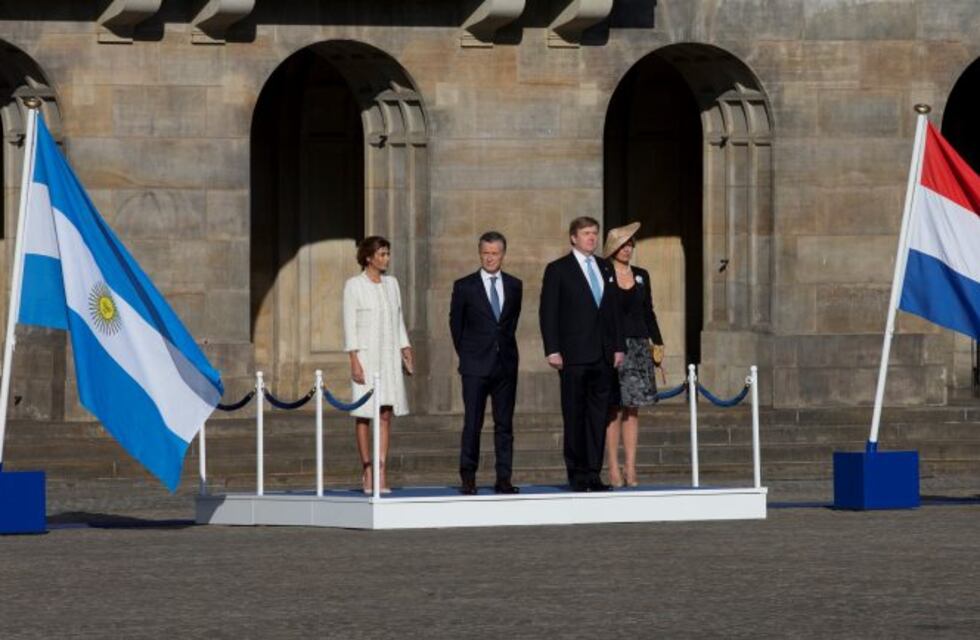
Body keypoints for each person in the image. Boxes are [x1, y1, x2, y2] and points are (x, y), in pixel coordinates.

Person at [539, 216, 625, 492]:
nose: (592, 238)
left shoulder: (604, 267)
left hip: (602, 356)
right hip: (573, 355)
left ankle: (592, 473)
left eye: (594, 233)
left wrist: (618, 346)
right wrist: (552, 349)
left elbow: (614, 312)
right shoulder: (558, 269)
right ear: (573, 237)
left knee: (598, 418)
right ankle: (576, 475)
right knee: (575, 415)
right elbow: (548, 312)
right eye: (586, 233)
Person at [449, 231, 522, 495]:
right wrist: (469, 354)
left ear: (503, 254)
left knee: (505, 424)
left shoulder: (515, 285)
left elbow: (509, 324)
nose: (490, 258)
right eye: (486, 253)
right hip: (475, 366)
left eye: (495, 253)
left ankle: (504, 478)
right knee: (473, 422)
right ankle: (468, 476)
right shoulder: (465, 286)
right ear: (480, 254)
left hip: (505, 365)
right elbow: (456, 326)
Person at [343, 236, 413, 494]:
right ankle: (367, 470)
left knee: (385, 413)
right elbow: (349, 324)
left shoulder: (392, 284)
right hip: (366, 356)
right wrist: (354, 360)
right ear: (369, 257)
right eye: (382, 254)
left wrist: (405, 347)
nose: (386, 258)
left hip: (388, 355)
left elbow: (398, 318)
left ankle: (382, 471)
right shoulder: (354, 286)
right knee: (364, 414)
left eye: (388, 254)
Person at [602, 223, 664, 488]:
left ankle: (631, 467)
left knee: (633, 409)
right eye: (622, 245)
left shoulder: (642, 275)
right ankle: (613, 468)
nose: (627, 249)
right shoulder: (603, 274)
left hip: (639, 346)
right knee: (613, 408)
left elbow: (648, 311)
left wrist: (658, 345)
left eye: (630, 245)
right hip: (613, 346)